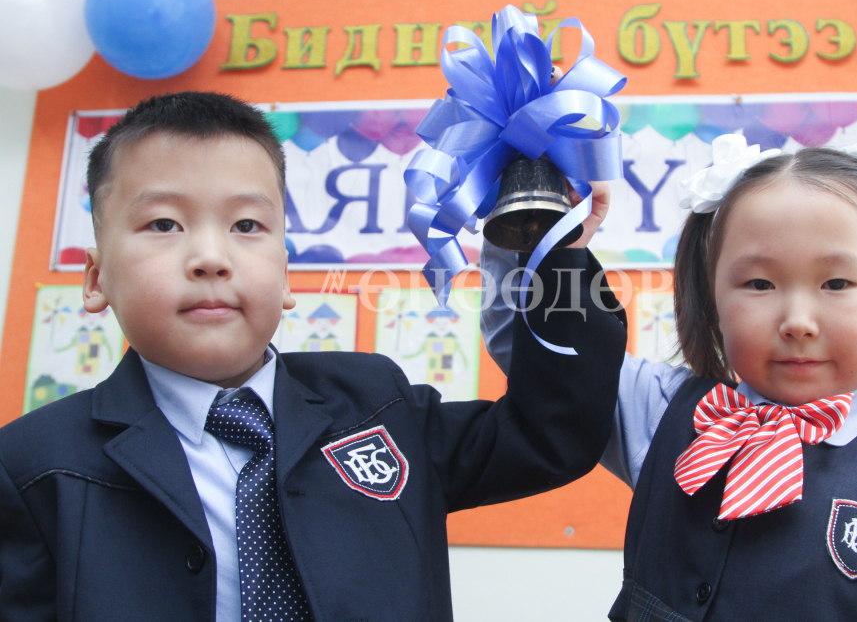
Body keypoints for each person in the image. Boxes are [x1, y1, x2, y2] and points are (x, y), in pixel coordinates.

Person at [0, 92, 628, 622]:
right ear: (95, 279)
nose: (211, 257)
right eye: (164, 224)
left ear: (285, 276)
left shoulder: (376, 402)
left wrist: (553, 253)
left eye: (247, 226)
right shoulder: (33, 465)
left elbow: (551, 433)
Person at [481, 135, 857, 621]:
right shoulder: (662, 414)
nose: (797, 321)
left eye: (837, 282)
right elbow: (539, 357)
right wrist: (543, 229)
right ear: (714, 297)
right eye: (759, 283)